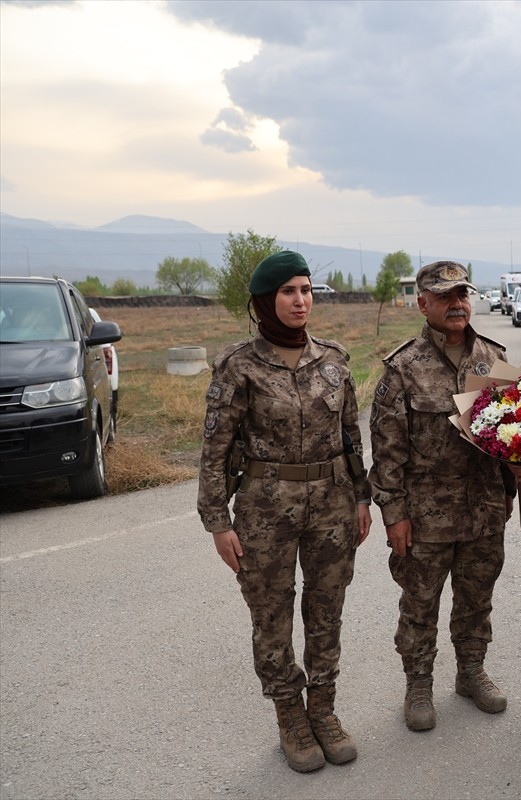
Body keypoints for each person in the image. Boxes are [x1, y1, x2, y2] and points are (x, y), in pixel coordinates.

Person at [197, 250, 372, 773]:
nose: (301, 301)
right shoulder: (239, 366)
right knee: (271, 614)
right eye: (289, 292)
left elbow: (350, 436)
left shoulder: (334, 359)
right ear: (264, 302)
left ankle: (323, 709)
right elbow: (215, 449)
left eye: (306, 290)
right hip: (264, 510)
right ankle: (290, 717)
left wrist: (362, 496)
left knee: (327, 610)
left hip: (333, 504)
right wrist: (218, 522)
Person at [369, 261, 515, 733]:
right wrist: (394, 515)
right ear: (423, 303)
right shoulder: (403, 367)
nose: (457, 303)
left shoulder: (493, 359)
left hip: (484, 508)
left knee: (477, 598)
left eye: (463, 294)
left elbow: (514, 434)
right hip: (425, 514)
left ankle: (471, 672)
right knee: (420, 603)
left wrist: (516, 486)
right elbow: (386, 451)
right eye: (445, 296)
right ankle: (418, 683)